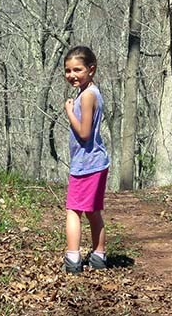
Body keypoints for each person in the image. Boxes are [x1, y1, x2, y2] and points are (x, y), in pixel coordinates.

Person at [61, 46, 111, 273]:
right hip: (95, 163)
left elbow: (84, 133)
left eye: (77, 70)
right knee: (93, 211)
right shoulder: (89, 92)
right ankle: (99, 255)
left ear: (91, 69)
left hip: (87, 164)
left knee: (73, 210)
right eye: (68, 70)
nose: (72, 75)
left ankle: (73, 258)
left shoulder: (87, 96)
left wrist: (69, 111)